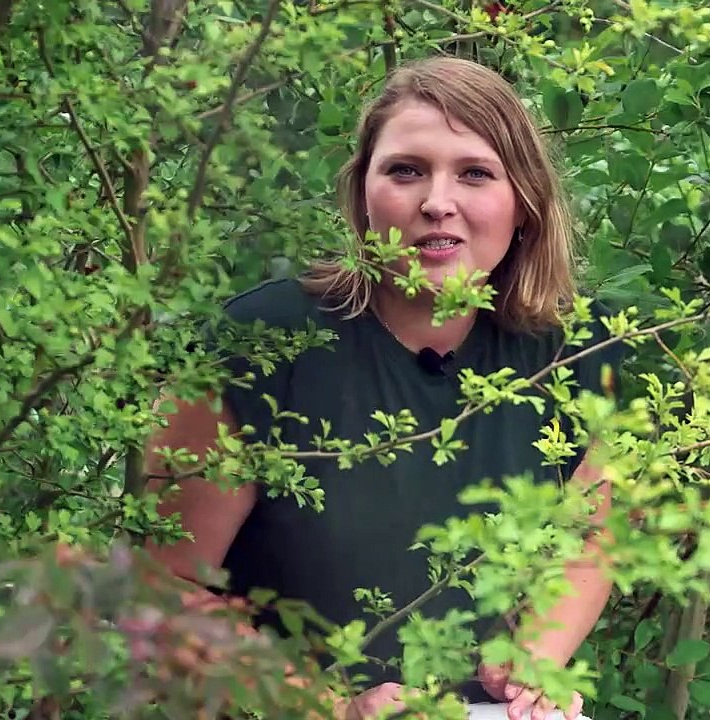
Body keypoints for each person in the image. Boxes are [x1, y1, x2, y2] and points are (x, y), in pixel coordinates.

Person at [144, 56, 625, 720]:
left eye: (476, 173)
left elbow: (591, 543)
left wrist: (532, 664)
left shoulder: (579, 352)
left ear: (524, 206)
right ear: (363, 194)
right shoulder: (261, 344)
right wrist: (324, 708)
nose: (436, 201)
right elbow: (161, 588)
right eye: (405, 170)